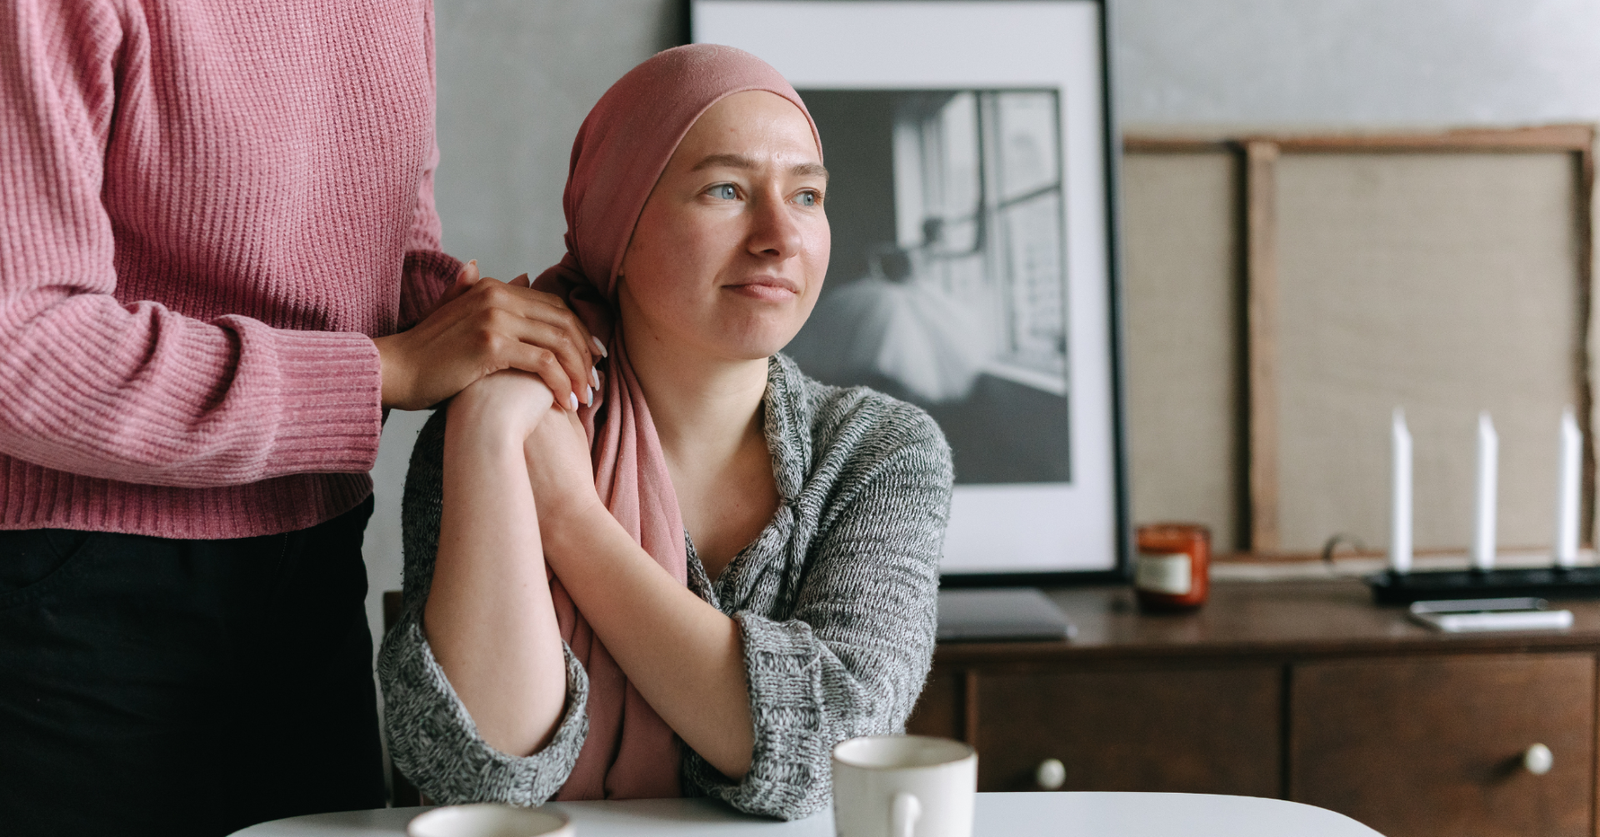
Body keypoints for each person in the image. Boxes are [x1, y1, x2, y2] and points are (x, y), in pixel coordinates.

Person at [0, 3, 600, 835]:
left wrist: (507, 324)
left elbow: (381, 252)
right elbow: (23, 348)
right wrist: (387, 370)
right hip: (82, 590)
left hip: (314, 565)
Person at [378, 45, 954, 820]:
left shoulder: (881, 453)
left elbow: (830, 751)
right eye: (726, 189)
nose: (779, 235)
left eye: (808, 196)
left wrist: (572, 519)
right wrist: (485, 424)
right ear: (619, 222)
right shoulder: (501, 421)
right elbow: (479, 780)